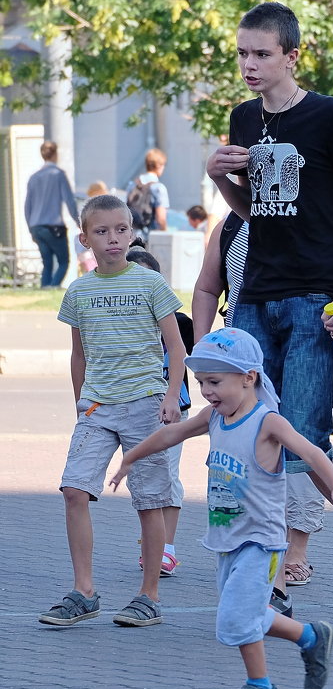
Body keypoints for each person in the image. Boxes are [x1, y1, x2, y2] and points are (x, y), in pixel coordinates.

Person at [204, 1, 333, 621]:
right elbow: (252, 209)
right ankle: (272, 569)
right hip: (255, 296)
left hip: (317, 298)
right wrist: (217, 177)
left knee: (303, 440)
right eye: (242, 53)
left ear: (292, 55)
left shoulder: (327, 116)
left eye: (261, 54)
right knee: (249, 432)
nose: (249, 65)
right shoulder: (243, 118)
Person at [110, 328, 333, 689]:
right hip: (227, 540)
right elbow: (172, 433)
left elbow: (313, 451)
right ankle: (310, 636)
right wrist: (130, 457)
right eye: (202, 382)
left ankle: (262, 688)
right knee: (250, 610)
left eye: (215, 382)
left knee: (237, 615)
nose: (207, 391)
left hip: (262, 541)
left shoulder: (267, 421)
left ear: (248, 377)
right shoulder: (215, 418)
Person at [192, 211, 333, 618]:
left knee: (301, 444)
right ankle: (275, 583)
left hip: (299, 343)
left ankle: (323, 547)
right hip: (240, 364)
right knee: (255, 458)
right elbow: (206, 288)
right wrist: (206, 357)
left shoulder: (310, 221)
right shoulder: (230, 227)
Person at [38, 194, 185, 629]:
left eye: (121, 230)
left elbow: (176, 347)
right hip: (98, 408)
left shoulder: (150, 284)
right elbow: (77, 355)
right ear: (85, 239)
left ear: (132, 233)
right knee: (74, 490)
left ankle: (149, 595)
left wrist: (172, 397)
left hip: (145, 405)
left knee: (150, 500)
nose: (113, 239)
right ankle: (84, 591)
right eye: (102, 232)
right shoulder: (79, 291)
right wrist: (79, 403)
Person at [126, 244, 194, 576]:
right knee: (144, 478)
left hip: (172, 411)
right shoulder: (121, 325)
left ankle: (166, 548)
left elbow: (192, 359)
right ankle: (151, 543)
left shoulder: (179, 322)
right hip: (133, 408)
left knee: (168, 476)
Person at [24, 141, 79, 288]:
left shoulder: (33, 177)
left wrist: (31, 228)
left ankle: (44, 288)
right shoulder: (58, 174)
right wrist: (79, 221)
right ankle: (53, 288)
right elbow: (69, 201)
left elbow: (27, 206)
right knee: (63, 261)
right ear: (55, 154)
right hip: (53, 226)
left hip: (36, 225)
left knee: (47, 263)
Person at [126, 148, 170, 242]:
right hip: (149, 237)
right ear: (159, 165)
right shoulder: (158, 188)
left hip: (132, 236)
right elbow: (161, 219)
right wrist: (165, 233)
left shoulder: (132, 185)